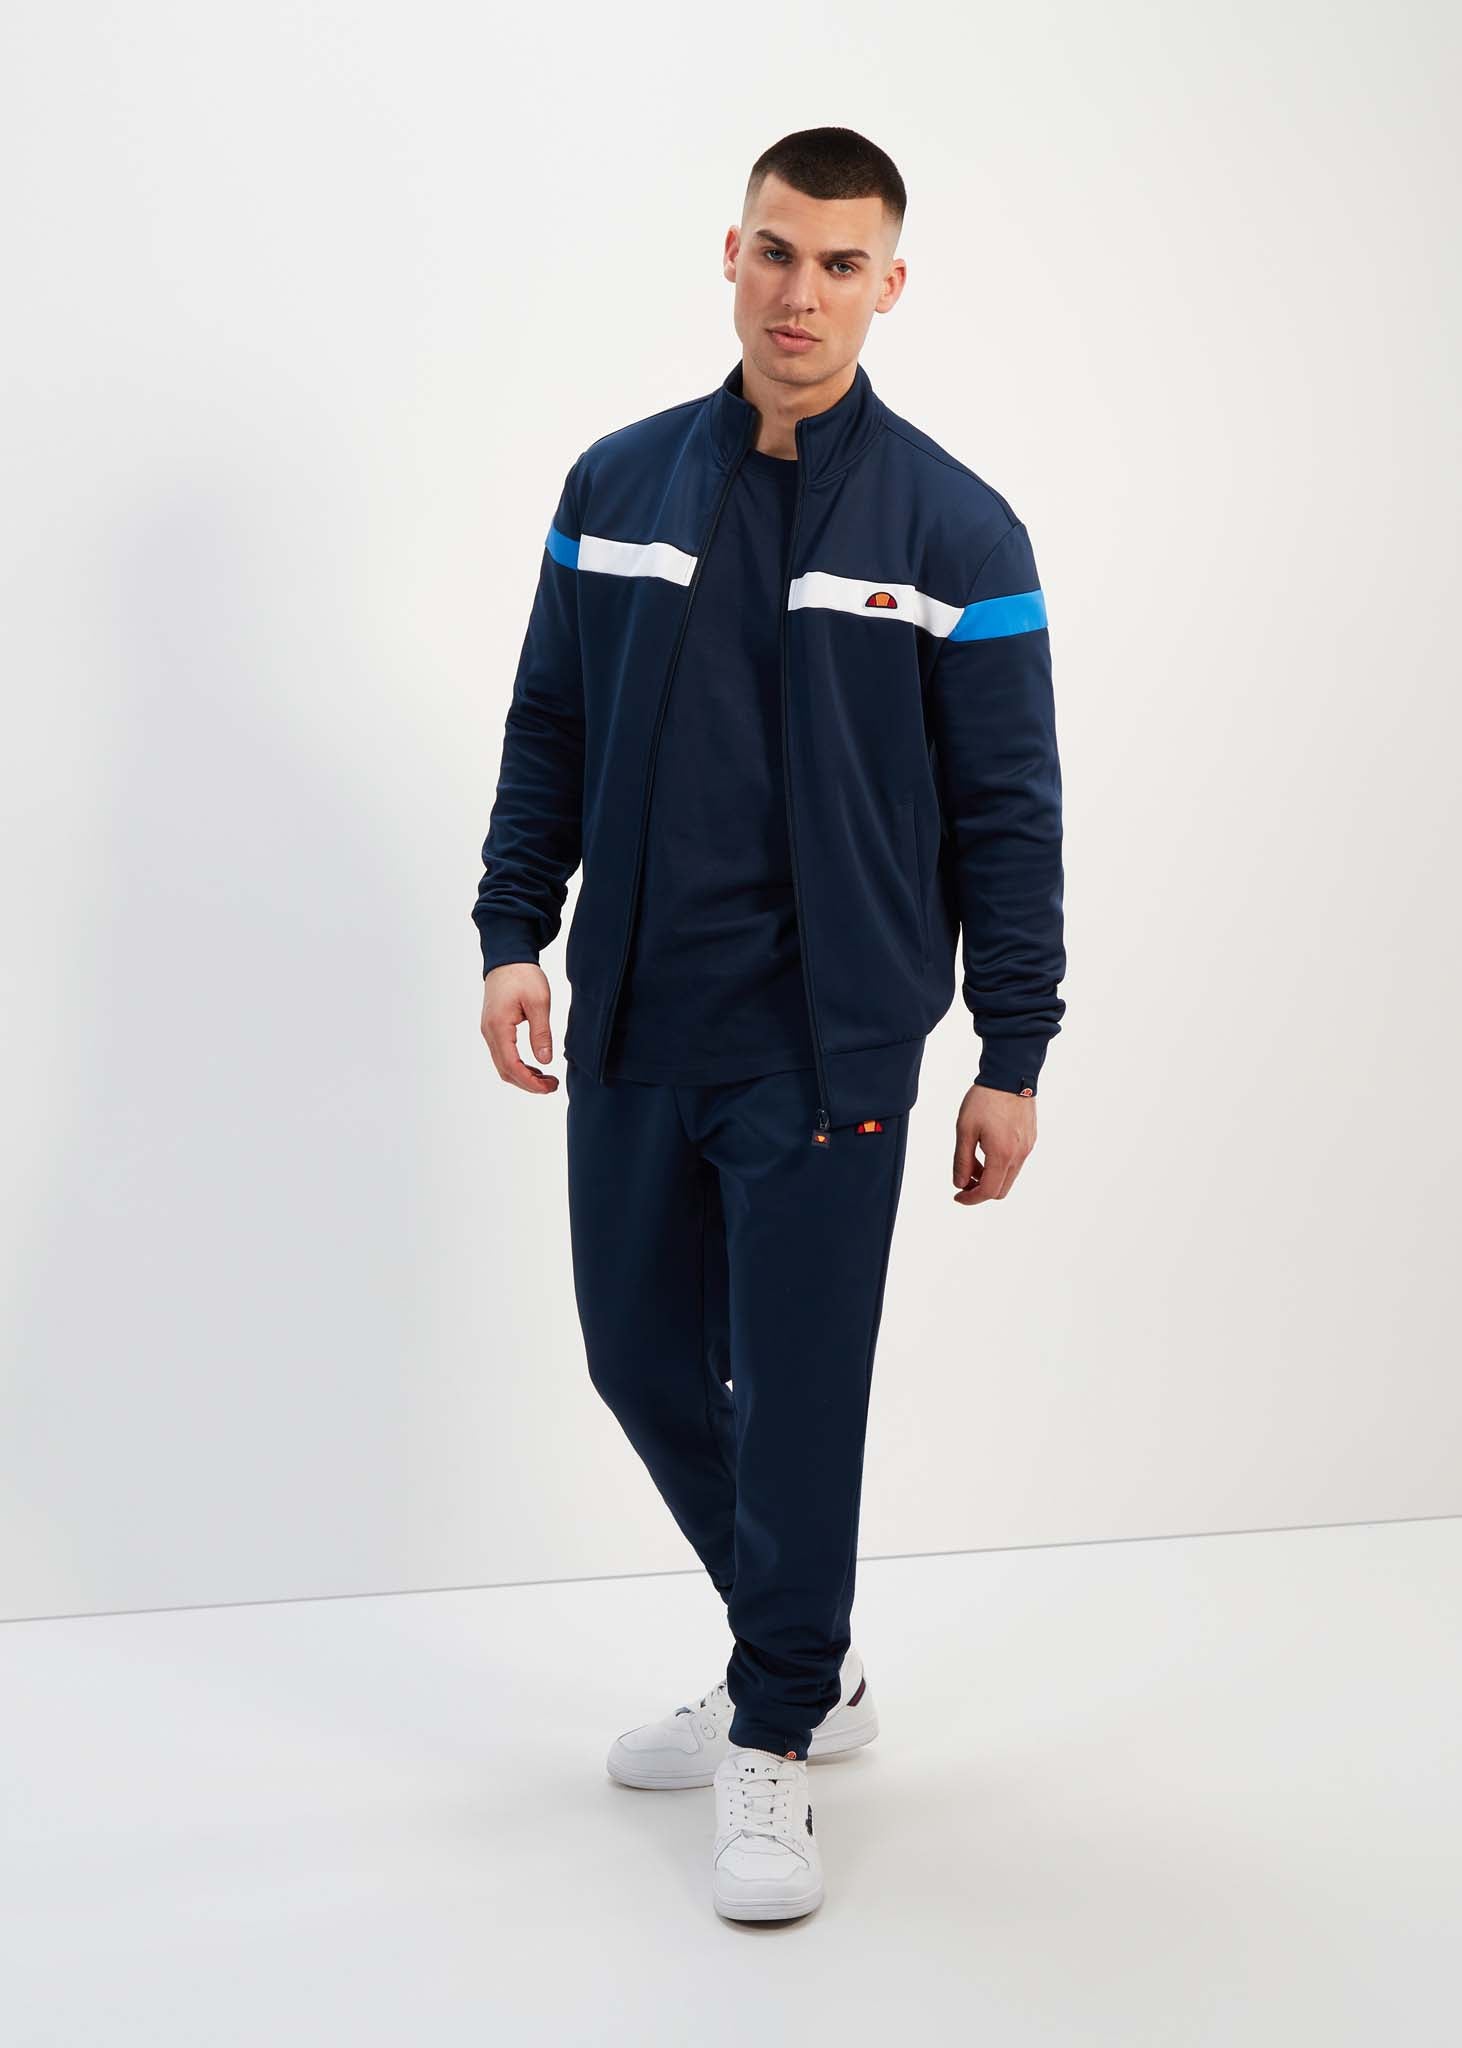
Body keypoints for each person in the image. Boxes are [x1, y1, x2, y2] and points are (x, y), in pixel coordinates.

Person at [471, 126, 1066, 1923]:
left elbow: (1008, 811)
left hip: (830, 1043)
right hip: (638, 1015)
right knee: (637, 1359)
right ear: (729, 255)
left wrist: (1013, 1051)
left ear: (891, 284)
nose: (801, 293)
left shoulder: (956, 528)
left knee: (800, 1399)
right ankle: (797, 1654)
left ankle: (777, 1725)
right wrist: (515, 931)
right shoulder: (617, 482)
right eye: (777, 253)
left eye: (840, 263)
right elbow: (549, 721)